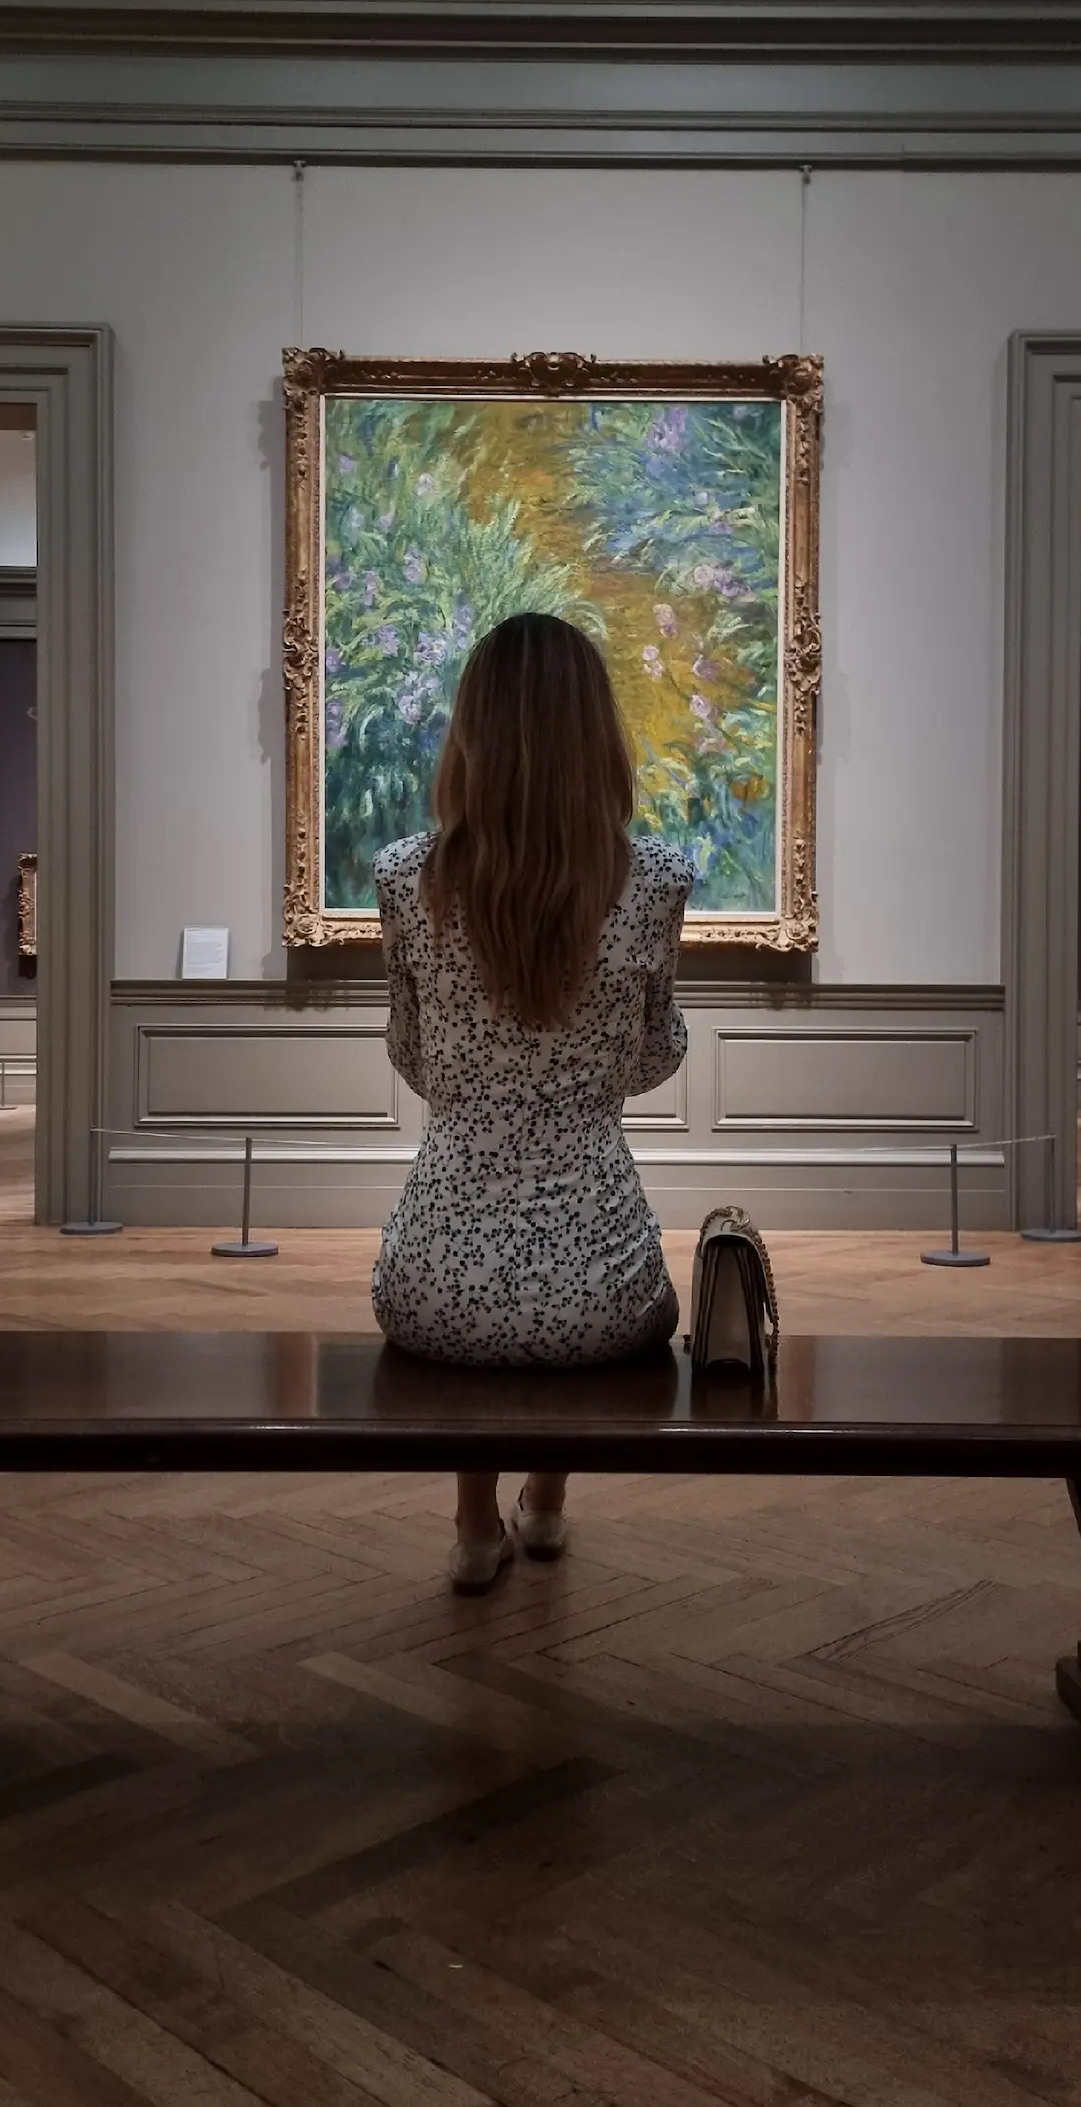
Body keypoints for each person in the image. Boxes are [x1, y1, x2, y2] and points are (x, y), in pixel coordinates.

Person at [372, 611, 693, 1593]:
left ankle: (475, 1523)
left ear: (473, 730)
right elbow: (652, 1057)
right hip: (603, 1287)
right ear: (596, 734)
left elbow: (414, 1056)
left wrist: (488, 1087)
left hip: (432, 1282)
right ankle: (545, 1504)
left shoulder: (404, 878)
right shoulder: (654, 883)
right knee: (574, 1296)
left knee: (484, 1297)